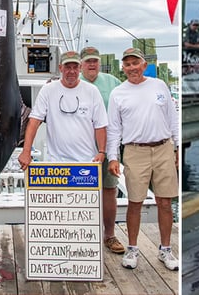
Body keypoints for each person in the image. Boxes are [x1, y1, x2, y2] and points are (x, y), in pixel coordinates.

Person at [107, 48, 179, 271]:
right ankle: (132, 248)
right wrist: (113, 157)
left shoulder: (159, 86)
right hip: (134, 150)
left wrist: (178, 146)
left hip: (163, 148)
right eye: (127, 64)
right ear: (123, 68)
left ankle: (165, 249)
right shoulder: (118, 93)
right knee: (135, 202)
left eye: (135, 63)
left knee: (165, 202)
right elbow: (113, 129)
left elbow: (173, 117)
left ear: (144, 65)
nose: (131, 68)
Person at [18, 50, 108, 166]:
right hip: (56, 163)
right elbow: (34, 121)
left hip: (87, 162)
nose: (71, 71)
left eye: (75, 67)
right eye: (67, 67)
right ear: (60, 68)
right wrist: (26, 151)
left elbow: (100, 125)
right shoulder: (48, 90)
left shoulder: (92, 91)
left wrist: (101, 151)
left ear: (80, 68)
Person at [78, 46, 124, 254]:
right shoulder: (72, 82)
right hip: (80, 148)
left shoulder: (112, 82)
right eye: (88, 61)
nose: (91, 64)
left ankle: (109, 235)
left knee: (109, 190)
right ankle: (81, 235)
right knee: (80, 193)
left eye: (94, 60)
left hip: (108, 147)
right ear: (81, 65)